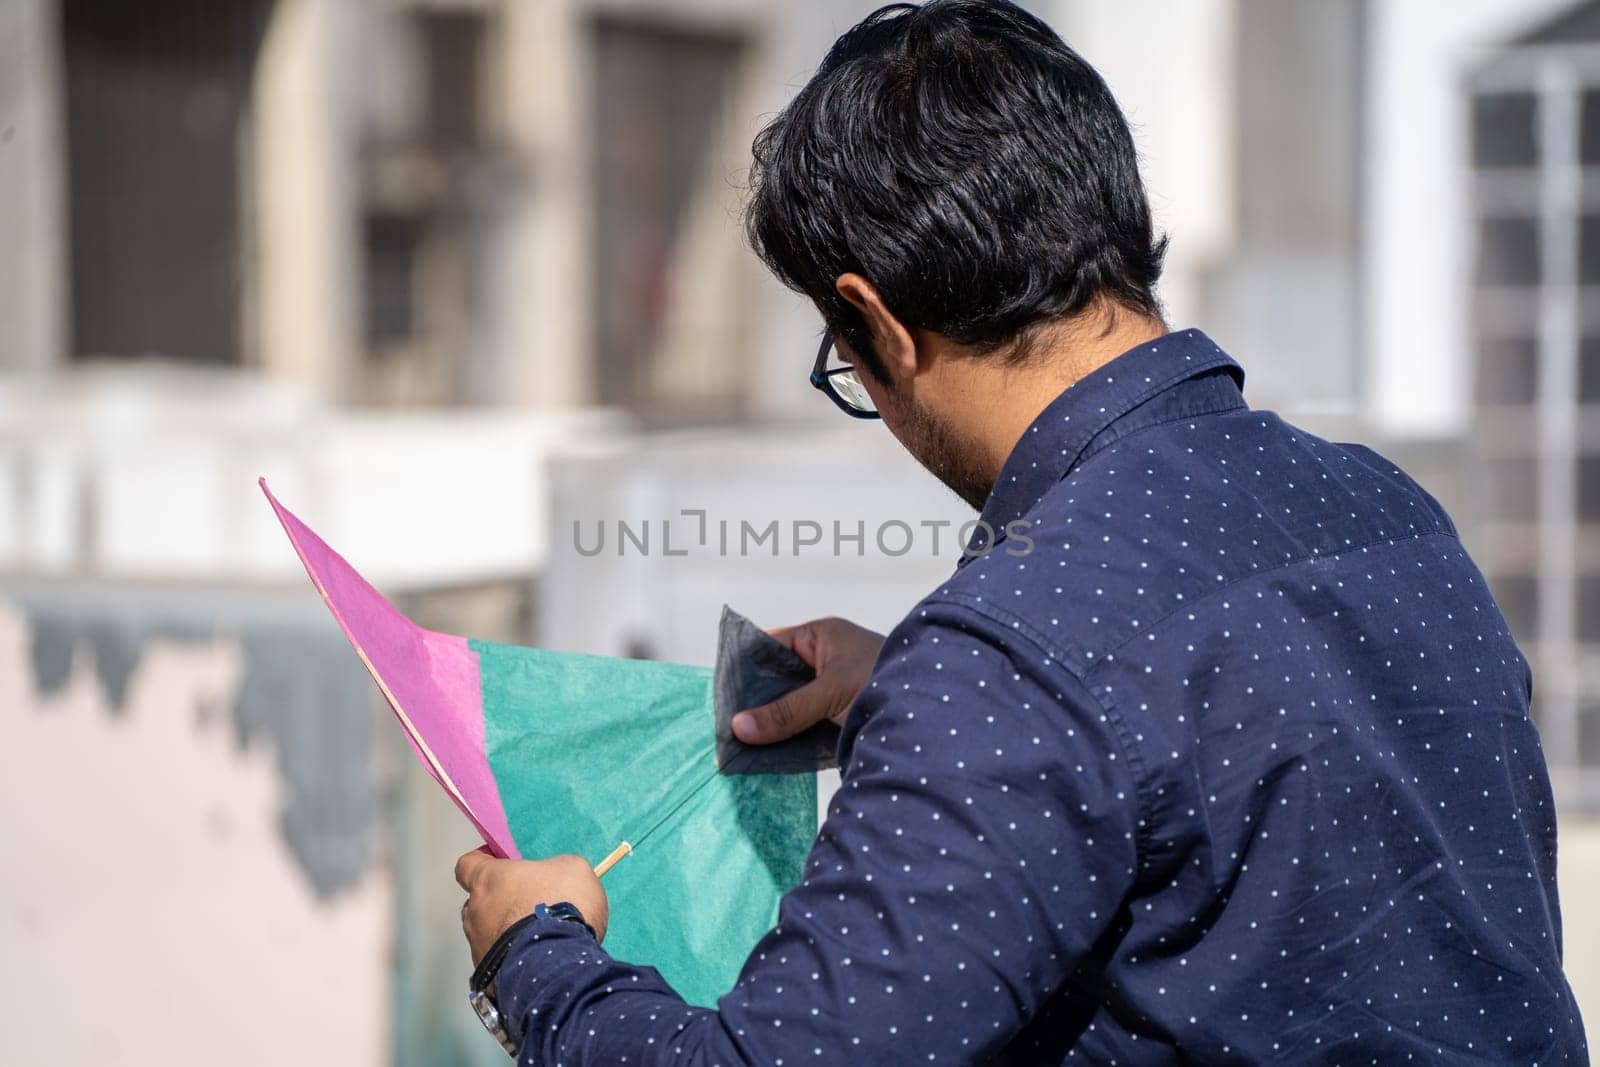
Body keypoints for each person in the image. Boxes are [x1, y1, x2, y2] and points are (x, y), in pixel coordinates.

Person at [453, 1, 1590, 1061]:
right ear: (1123, 221)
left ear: (882, 326)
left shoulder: (1011, 657)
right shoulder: (1384, 509)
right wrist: (912, 687)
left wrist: (535, 951)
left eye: (840, 362)